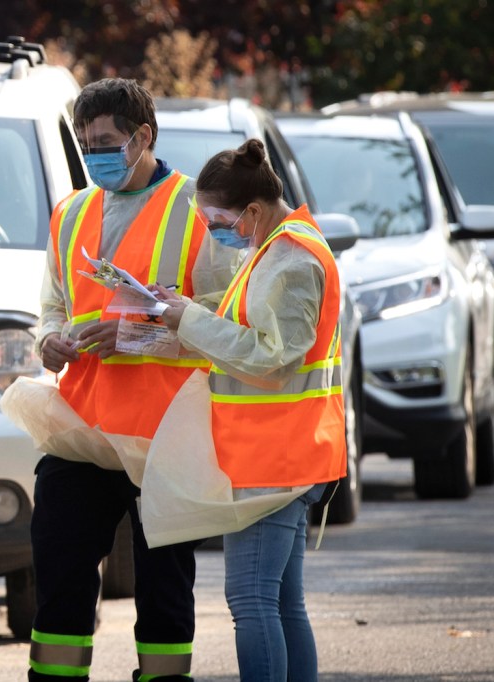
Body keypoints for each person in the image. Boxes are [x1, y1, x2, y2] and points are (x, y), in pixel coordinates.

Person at [31, 77, 224, 682]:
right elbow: (53, 306)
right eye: (86, 145)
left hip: (165, 434)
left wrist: (137, 337)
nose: (95, 157)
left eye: (106, 143)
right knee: (59, 578)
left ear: (143, 137)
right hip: (83, 429)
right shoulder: (71, 212)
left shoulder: (201, 210)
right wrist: (50, 342)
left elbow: (225, 325)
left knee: (165, 595)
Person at [153, 138, 347, 681]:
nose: (213, 231)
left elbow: (271, 358)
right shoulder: (276, 247)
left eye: (216, 220)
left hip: (274, 461)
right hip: (282, 452)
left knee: (251, 601)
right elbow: (248, 321)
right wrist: (179, 307)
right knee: (282, 603)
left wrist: (185, 320)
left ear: (253, 211)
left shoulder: (289, 259)